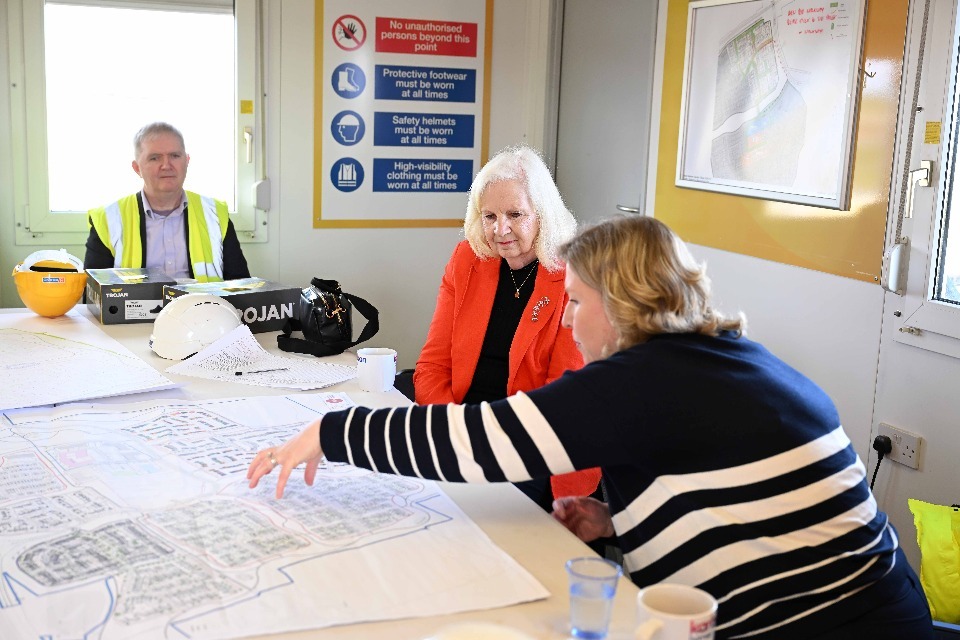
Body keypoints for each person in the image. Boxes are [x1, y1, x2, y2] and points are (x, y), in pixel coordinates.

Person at [248, 216, 932, 639]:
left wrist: (333, 433)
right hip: (887, 609)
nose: (570, 321)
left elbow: (481, 442)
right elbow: (722, 486)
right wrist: (614, 518)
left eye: (577, 302)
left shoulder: (646, 379)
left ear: (622, 301)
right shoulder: (727, 357)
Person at [414, 144, 601, 510]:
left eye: (515, 214)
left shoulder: (575, 275)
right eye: (489, 216)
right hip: (461, 426)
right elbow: (432, 366)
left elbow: (563, 400)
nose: (500, 229)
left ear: (542, 214)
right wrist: (452, 429)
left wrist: (487, 445)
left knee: (472, 516)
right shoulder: (467, 260)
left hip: (536, 445)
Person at [84, 122, 250, 282]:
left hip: (203, 302)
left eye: (175, 156)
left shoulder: (215, 214)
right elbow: (93, 294)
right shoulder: (108, 219)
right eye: (154, 158)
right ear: (137, 168)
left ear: (187, 161)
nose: (166, 165)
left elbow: (241, 286)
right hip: (136, 304)